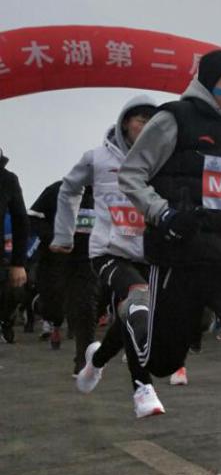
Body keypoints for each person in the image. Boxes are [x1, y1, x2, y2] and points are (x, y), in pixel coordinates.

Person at [119, 49, 221, 475]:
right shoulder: (174, 119)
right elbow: (131, 173)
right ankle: (133, 312)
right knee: (164, 361)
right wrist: (163, 214)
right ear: (208, 83)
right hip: (179, 259)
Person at [54, 97, 183, 421]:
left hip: (150, 254)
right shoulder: (97, 159)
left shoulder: (167, 160)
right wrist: (64, 234)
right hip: (108, 251)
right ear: (126, 122)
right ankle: (142, 387)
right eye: (140, 120)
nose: (146, 127)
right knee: (138, 299)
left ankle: (94, 364)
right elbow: (68, 188)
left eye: (153, 122)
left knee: (133, 314)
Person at [30, 180, 97, 360]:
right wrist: (53, 237)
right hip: (55, 256)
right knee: (53, 299)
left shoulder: (104, 193)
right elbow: (34, 217)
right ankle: (54, 323)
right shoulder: (56, 190)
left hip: (86, 258)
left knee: (85, 302)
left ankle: (83, 355)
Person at [0, 148, 29, 344]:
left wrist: (18, 263)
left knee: (13, 293)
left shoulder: (7, 180)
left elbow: (21, 221)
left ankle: (5, 321)